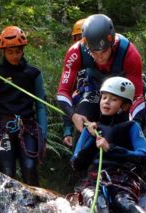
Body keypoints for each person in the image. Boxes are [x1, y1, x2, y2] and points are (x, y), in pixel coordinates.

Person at [70, 77, 146, 213]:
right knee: (94, 198)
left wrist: (111, 148)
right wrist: (91, 140)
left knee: (122, 200)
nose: (106, 102)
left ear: (125, 106)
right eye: (104, 97)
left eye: (113, 99)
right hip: (94, 180)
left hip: (122, 180)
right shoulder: (91, 129)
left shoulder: (131, 127)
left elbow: (142, 154)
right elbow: (76, 163)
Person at [57, 14, 146, 143]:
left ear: (111, 42)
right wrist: (73, 116)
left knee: (125, 130)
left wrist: (135, 124)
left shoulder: (129, 53)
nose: (100, 57)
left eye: (104, 51)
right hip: (93, 89)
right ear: (86, 45)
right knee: (83, 123)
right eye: (94, 52)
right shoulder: (76, 52)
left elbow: (137, 96)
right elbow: (63, 92)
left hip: (121, 92)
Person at [0, 26, 47, 187]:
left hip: (29, 128)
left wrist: (42, 135)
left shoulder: (33, 74)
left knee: (30, 169)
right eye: (10, 52)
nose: (14, 56)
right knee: (6, 172)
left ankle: (35, 208)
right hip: (5, 128)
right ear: (3, 52)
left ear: (23, 50)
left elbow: (41, 106)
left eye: (17, 51)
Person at [63, 18, 87, 147]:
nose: (82, 42)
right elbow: (67, 99)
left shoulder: (103, 63)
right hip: (80, 123)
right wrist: (67, 131)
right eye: (78, 38)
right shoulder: (72, 67)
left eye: (85, 38)